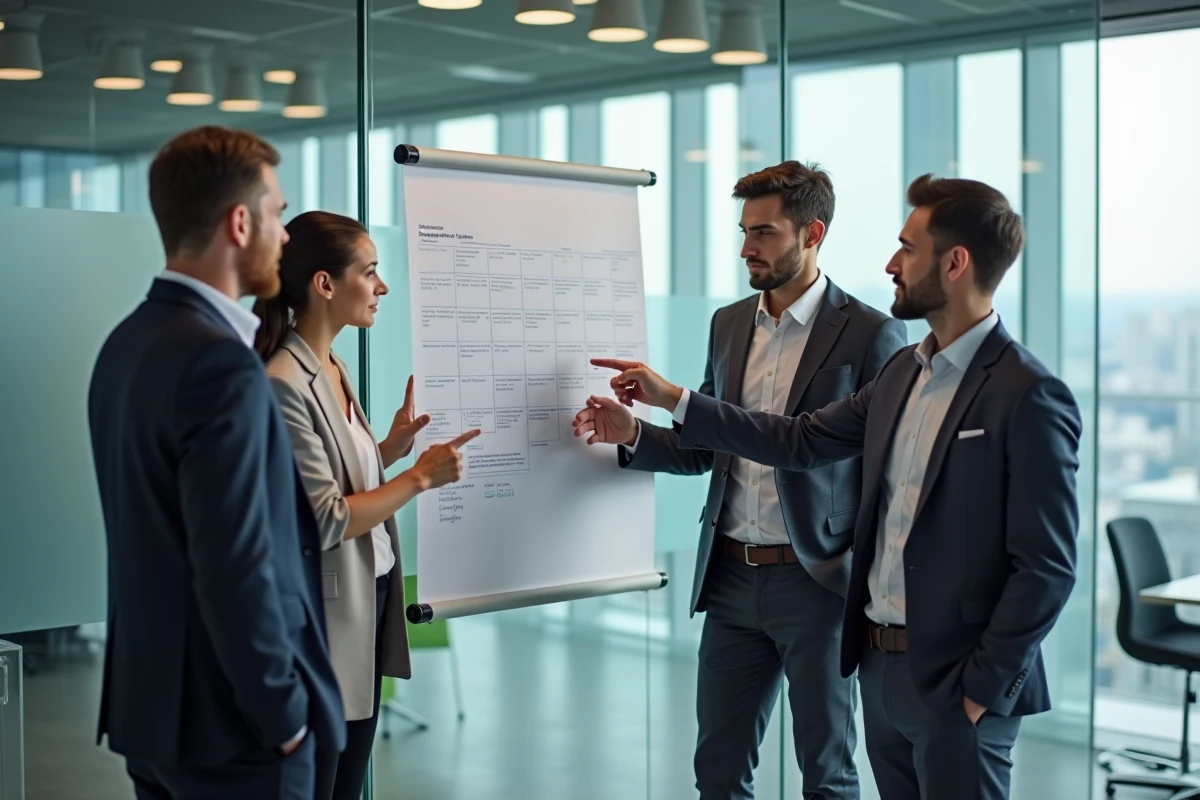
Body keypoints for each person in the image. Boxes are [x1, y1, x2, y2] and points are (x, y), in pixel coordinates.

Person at [576, 174, 1082, 800]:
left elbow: (1048, 566)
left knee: (830, 778)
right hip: (861, 645)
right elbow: (796, 441)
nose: (890, 264)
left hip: (906, 648)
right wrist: (659, 415)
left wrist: (984, 689)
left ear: (955, 263)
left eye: (907, 249)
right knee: (720, 772)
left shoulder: (1022, 391)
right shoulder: (905, 372)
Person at [573, 161, 906, 799]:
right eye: (744, 231)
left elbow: (875, 467)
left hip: (819, 584)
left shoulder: (870, 333)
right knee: (718, 773)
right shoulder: (729, 324)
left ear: (813, 234)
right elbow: (708, 446)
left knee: (827, 774)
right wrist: (633, 435)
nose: (748, 247)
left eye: (766, 233)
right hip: (730, 580)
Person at [87, 126, 344, 799]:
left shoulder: (126, 343)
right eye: (278, 214)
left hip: (154, 718)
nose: (284, 236)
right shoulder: (220, 365)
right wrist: (283, 718)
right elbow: (238, 565)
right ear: (240, 223)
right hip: (237, 735)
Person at [253, 210, 479, 800]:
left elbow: (333, 480)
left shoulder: (333, 365)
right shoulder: (284, 380)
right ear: (324, 284)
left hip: (368, 597)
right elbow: (325, 517)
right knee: (326, 780)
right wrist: (419, 477)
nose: (381, 287)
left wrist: (388, 449)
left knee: (349, 776)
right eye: (370, 272)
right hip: (328, 616)